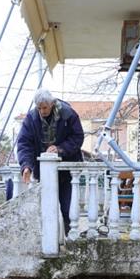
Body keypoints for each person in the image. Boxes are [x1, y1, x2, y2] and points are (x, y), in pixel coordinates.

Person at [16, 88, 85, 234]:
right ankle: (47, 240)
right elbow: (24, 144)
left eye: (45, 107)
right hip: (43, 173)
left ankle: (69, 238)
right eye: (39, 108)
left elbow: (78, 137)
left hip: (67, 172)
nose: (42, 111)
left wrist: (60, 148)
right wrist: (26, 166)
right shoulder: (31, 118)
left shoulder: (68, 114)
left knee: (67, 209)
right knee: (46, 209)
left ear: (52, 104)